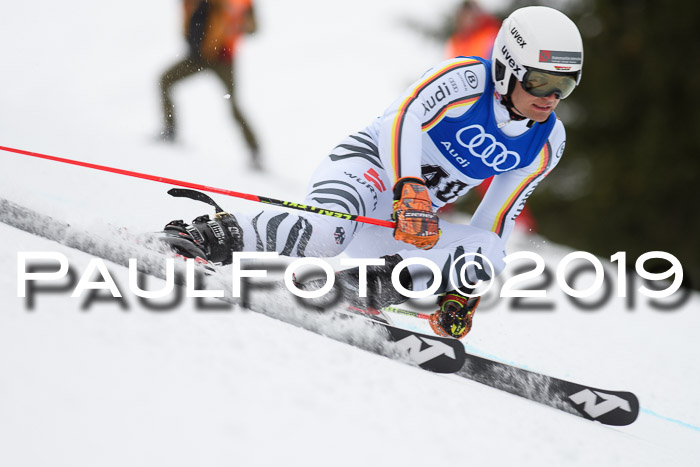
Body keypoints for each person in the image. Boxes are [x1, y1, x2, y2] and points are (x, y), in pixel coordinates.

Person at [161, 7, 584, 339]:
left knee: (490, 251)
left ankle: (358, 292)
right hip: (369, 172)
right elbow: (402, 116)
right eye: (540, 82)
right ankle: (208, 236)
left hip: (405, 223)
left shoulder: (548, 142)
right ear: (508, 68)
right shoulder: (464, 80)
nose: (550, 98)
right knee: (326, 236)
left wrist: (462, 285)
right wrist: (409, 185)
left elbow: (497, 216)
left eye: (564, 87)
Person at [159, 0, 262, 170]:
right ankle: (170, 130)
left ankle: (255, 152)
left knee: (234, 106)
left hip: (222, 58)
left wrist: (237, 24)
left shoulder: (241, 3)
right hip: (197, 55)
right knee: (165, 80)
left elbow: (254, 28)